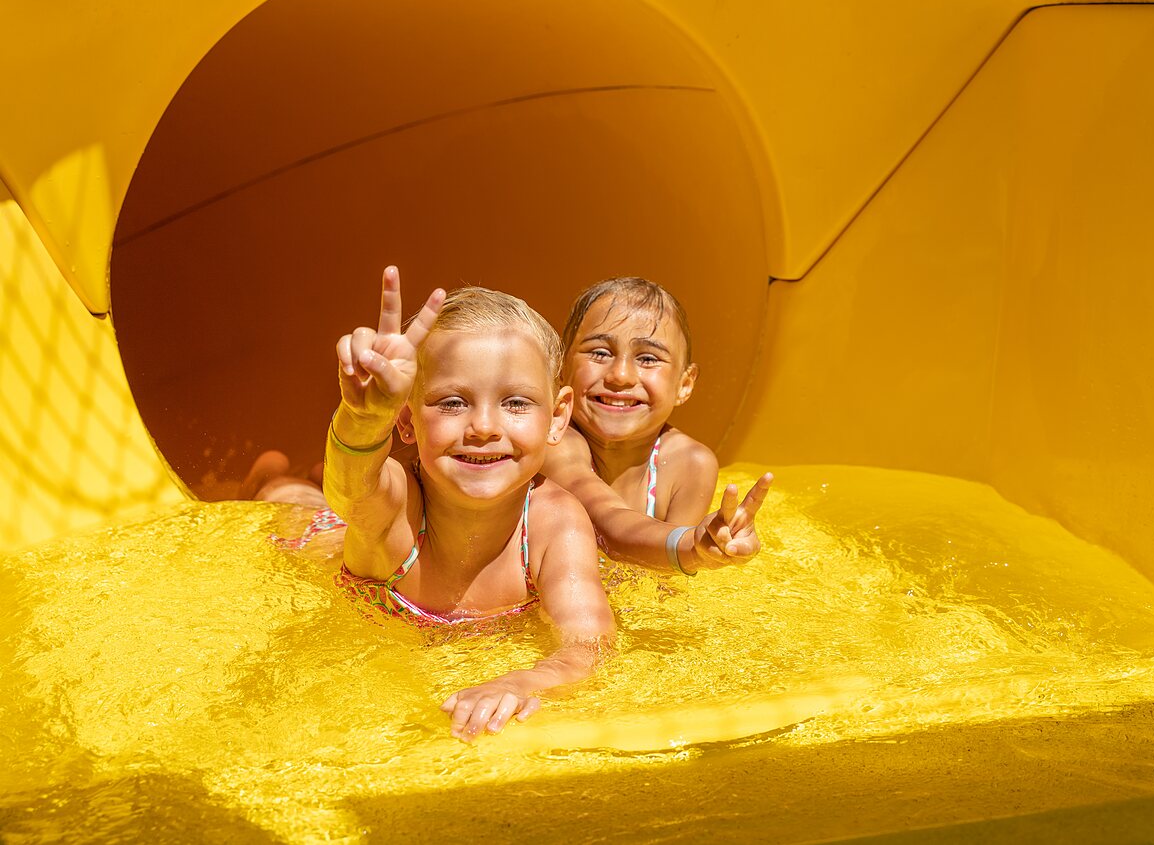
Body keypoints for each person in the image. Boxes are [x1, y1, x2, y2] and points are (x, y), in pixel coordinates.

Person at [262, 266, 615, 743]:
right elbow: (349, 491)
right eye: (452, 402)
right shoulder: (398, 506)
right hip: (326, 535)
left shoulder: (555, 521)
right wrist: (364, 419)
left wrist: (523, 681)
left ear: (557, 417)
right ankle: (271, 476)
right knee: (291, 501)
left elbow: (588, 646)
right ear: (407, 421)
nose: (484, 427)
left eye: (515, 403)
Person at [543, 277, 773, 576]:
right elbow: (610, 528)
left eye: (648, 358)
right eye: (599, 352)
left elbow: (667, 579)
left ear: (684, 384)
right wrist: (691, 546)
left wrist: (709, 547)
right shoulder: (554, 441)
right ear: (562, 368)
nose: (620, 375)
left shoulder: (690, 464)